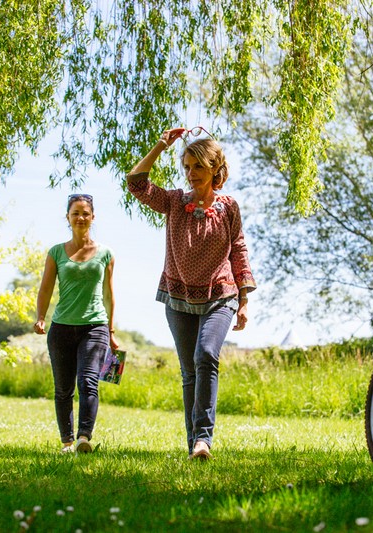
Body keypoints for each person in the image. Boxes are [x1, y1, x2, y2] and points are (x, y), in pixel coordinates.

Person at [126, 127, 256, 460]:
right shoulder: (173, 201)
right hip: (178, 297)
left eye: (197, 166)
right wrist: (160, 144)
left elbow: (238, 250)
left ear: (214, 168)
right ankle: (194, 444)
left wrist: (243, 299)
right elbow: (136, 183)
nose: (190, 173)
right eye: (186, 166)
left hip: (220, 295)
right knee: (188, 372)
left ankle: (203, 438)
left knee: (206, 355)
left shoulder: (229, 208)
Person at [34, 193, 118, 454]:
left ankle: (84, 437)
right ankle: (67, 442)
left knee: (88, 381)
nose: (80, 217)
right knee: (63, 389)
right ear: (68, 218)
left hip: (95, 327)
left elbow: (108, 293)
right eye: (75, 213)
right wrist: (39, 317)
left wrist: (112, 331)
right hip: (61, 328)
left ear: (93, 217)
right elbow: (45, 288)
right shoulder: (56, 252)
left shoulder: (105, 253)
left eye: (85, 213)